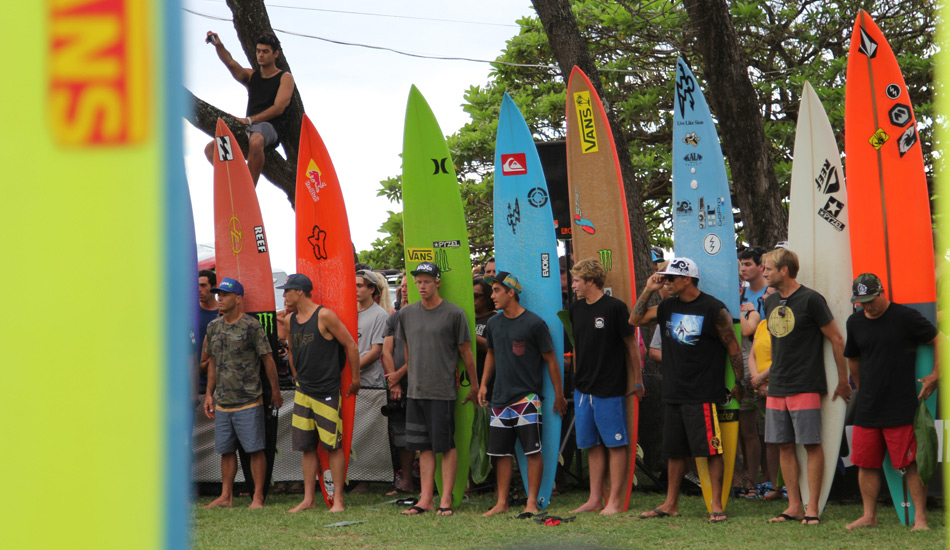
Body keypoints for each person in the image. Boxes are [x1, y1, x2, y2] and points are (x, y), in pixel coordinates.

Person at [630, 258, 744, 522]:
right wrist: (648, 288)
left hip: (702, 392)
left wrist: (740, 383)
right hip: (673, 391)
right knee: (674, 451)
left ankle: (717, 505)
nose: (667, 282)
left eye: (671, 278)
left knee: (711, 449)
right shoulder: (667, 306)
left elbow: (733, 347)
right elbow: (634, 319)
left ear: (687, 279)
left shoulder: (713, 308)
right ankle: (671, 503)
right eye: (665, 278)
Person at [843, 273, 939, 531]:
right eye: (862, 302)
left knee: (912, 463)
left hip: (901, 404)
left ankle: (920, 519)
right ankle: (869, 516)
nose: (867, 307)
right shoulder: (855, 322)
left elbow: (939, 340)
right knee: (865, 462)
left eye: (871, 300)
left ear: (882, 292)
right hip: (868, 406)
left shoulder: (905, 317)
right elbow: (853, 358)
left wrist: (935, 375)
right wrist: (863, 389)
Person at [761, 248, 850, 525]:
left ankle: (812, 507)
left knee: (811, 444)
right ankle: (794, 506)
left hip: (805, 384)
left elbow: (837, 339)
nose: (764, 272)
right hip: (777, 386)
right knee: (784, 445)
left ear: (784, 270)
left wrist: (843, 380)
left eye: (768, 268)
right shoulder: (769, 301)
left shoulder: (811, 299)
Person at [478, 272, 567, 517]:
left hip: (527, 398)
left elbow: (551, 360)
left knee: (532, 451)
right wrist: (484, 384)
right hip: (499, 398)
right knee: (501, 454)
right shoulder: (494, 323)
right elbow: (491, 355)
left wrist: (559, 395)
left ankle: (532, 502)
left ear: (511, 293)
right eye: (492, 290)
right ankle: (502, 503)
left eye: (497, 290)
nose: (492, 296)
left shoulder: (534, 323)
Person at [397, 262, 479, 516]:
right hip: (415, 391)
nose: (422, 286)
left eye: (427, 281)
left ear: (437, 282)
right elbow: (408, 349)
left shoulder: (454, 314)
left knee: (445, 445)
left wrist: (475, 385)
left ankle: (445, 499)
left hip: (442, 391)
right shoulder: (406, 314)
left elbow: (466, 353)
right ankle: (425, 499)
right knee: (423, 447)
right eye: (418, 282)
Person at [279, 273, 360, 513]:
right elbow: (292, 351)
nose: (284, 295)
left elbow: (350, 345)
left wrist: (356, 379)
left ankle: (338, 501)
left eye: (287, 290)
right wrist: (296, 375)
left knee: (332, 446)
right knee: (306, 447)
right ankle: (308, 499)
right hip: (303, 390)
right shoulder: (290, 320)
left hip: (326, 390)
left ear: (300, 292)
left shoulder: (324, 315)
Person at [568, 258, 643, 515]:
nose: (573, 285)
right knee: (592, 445)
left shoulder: (615, 308)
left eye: (577, 280)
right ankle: (594, 499)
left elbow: (631, 346)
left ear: (590, 280)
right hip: (583, 388)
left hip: (610, 387)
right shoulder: (576, 309)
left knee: (615, 444)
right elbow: (579, 346)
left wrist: (638, 380)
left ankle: (614, 502)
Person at [202, 277, 283, 509]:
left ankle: (257, 496)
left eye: (225, 295)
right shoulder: (213, 326)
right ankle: (225, 496)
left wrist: (275, 391)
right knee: (226, 451)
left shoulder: (251, 325)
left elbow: (268, 359)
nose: (220, 298)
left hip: (249, 400)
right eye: (218, 294)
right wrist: (209, 394)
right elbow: (213, 363)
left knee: (255, 449)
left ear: (238, 299)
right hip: (223, 402)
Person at [203, 31, 295, 184]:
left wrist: (250, 120)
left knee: (256, 141)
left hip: (269, 127)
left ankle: (249, 187)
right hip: (249, 129)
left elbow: (279, 108)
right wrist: (218, 46)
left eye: (265, 51)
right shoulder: (252, 76)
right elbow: (231, 63)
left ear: (275, 54)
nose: (260, 55)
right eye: (258, 51)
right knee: (211, 149)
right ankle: (235, 185)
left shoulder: (285, 78)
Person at [349, 269, 391, 492]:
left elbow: (376, 351)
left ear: (371, 289)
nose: (355, 290)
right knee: (350, 431)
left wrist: (351, 371)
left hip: (368, 383)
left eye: (359, 285)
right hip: (348, 380)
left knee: (367, 432)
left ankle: (365, 480)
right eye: (353, 285)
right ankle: (350, 476)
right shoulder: (347, 310)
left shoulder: (379, 315)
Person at [736, 247, 769, 496]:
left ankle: (762, 479)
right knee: (740, 430)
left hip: (759, 369)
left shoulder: (762, 299)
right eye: (741, 264)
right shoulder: (739, 297)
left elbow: (752, 330)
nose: (743, 269)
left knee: (760, 429)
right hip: (736, 368)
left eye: (748, 264)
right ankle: (744, 479)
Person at [383, 276, 413, 494]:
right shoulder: (394, 318)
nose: (404, 289)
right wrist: (394, 381)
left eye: (408, 285)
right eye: (402, 285)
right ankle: (407, 481)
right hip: (398, 385)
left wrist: (398, 375)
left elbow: (419, 353)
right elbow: (387, 350)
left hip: (420, 383)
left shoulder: (422, 316)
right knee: (401, 434)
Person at [474, 277, 498, 403]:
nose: (473, 299)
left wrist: (468, 335)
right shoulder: (466, 317)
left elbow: (493, 348)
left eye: (476, 296)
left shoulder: (494, 319)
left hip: (489, 387)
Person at [198, 269, 220, 391]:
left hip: (220, 382)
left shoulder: (223, 313)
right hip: (195, 382)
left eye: (203, 285)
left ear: (214, 287)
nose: (199, 289)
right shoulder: (189, 312)